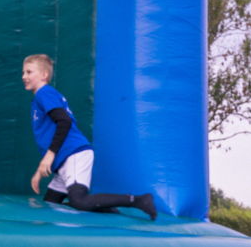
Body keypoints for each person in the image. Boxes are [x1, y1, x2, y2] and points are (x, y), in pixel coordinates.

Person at [22, 54, 157, 220]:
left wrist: (49, 155)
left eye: (29, 72)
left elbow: (64, 121)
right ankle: (101, 206)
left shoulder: (44, 93)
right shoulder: (42, 97)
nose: (24, 76)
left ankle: (138, 200)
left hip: (73, 153)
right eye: (23, 72)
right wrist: (40, 170)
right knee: (50, 205)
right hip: (64, 159)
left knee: (79, 200)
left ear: (44, 75)